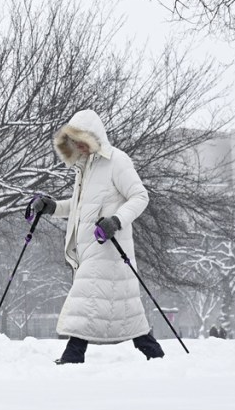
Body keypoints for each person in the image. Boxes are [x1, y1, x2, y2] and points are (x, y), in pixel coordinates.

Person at [29, 109, 164, 364]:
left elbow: (140, 196)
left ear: (95, 136)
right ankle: (152, 351)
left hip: (108, 247)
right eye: (74, 141)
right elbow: (80, 207)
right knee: (123, 309)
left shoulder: (117, 161)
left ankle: (73, 355)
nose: (79, 146)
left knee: (84, 300)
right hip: (91, 249)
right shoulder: (85, 167)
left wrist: (116, 220)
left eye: (83, 140)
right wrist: (52, 207)